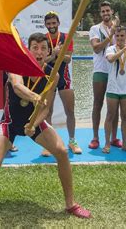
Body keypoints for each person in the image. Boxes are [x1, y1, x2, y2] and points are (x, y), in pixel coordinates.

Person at [0, 32, 91, 219]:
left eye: (43, 48)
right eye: (35, 47)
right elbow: (18, 87)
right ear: (28, 50)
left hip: (33, 123)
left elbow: (46, 109)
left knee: (61, 152)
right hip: (10, 123)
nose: (39, 51)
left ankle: (71, 204)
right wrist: (36, 97)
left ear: (48, 52)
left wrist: (33, 124)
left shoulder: (53, 74)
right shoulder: (16, 65)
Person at [43, 11, 81, 155]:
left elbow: (68, 59)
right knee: (47, 112)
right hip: (48, 79)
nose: (51, 26)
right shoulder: (43, 39)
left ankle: (72, 141)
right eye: (49, 23)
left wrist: (58, 54)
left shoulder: (66, 37)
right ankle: (49, 144)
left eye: (54, 23)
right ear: (45, 25)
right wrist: (53, 54)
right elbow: (41, 61)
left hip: (64, 79)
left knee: (70, 111)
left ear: (58, 23)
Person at [102, 26, 126, 154]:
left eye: (122, 36)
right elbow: (111, 59)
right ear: (115, 37)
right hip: (113, 89)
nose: (119, 38)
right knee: (110, 116)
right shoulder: (110, 49)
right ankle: (107, 144)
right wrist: (124, 48)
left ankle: (125, 144)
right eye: (117, 36)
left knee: (125, 117)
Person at [88, 1, 121, 149]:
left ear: (112, 11)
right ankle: (95, 137)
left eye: (108, 10)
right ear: (100, 14)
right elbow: (96, 48)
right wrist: (111, 35)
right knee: (97, 104)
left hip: (115, 71)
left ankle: (114, 137)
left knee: (115, 106)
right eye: (103, 11)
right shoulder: (95, 29)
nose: (105, 13)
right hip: (100, 71)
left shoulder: (118, 28)